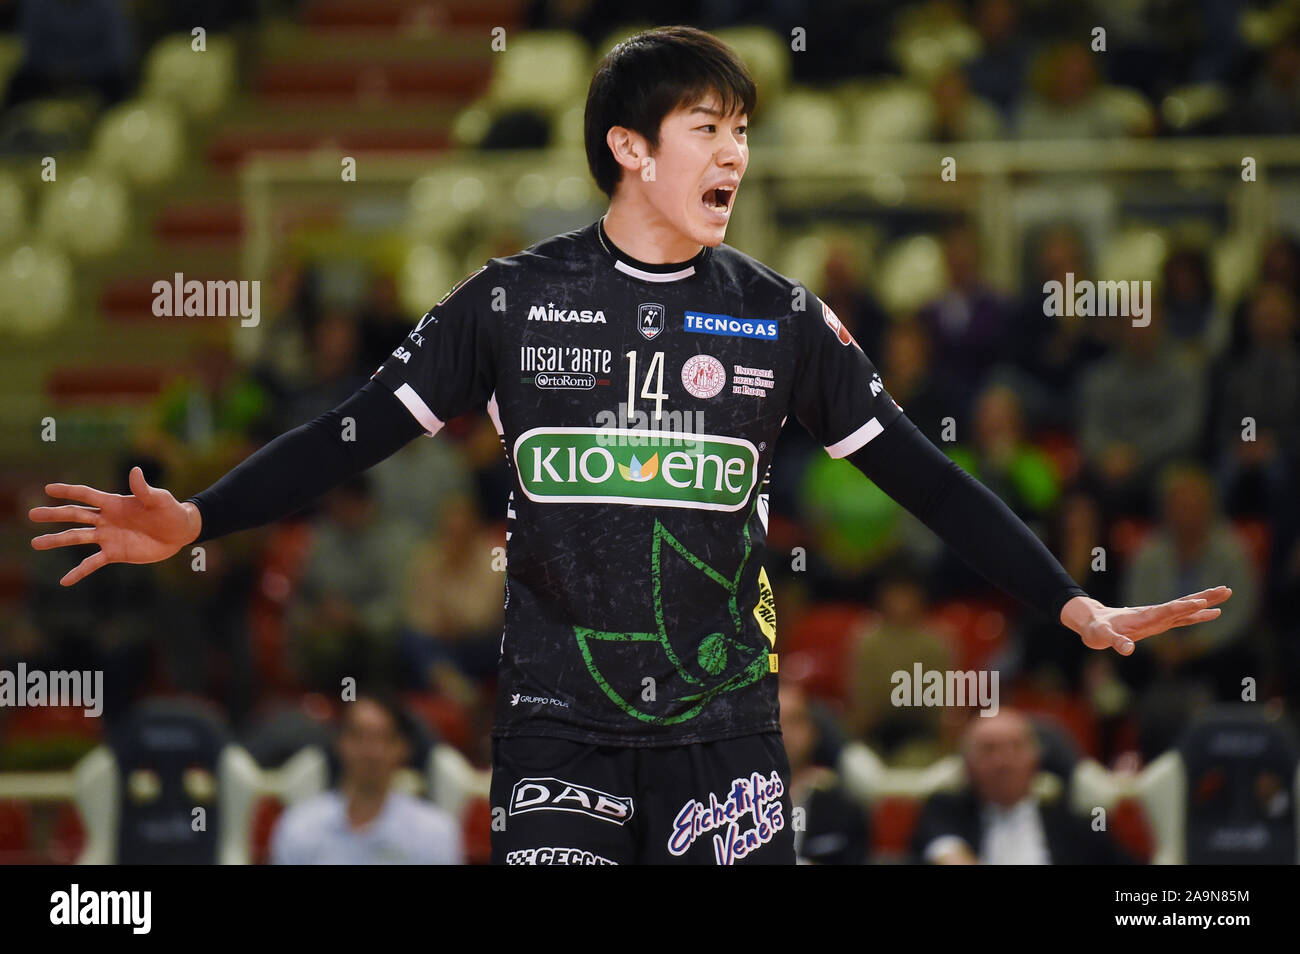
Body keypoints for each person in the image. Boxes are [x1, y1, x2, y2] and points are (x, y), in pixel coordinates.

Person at [31, 25, 1231, 866]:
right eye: (705, 125)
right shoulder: (506, 302)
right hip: (558, 721)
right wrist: (201, 518)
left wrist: (1070, 604)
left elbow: (920, 474)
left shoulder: (781, 316)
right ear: (627, 147)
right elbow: (347, 436)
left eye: (742, 128)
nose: (733, 153)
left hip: (728, 730)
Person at [911, 709, 1136, 865]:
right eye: (988, 750)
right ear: (967, 764)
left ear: (1036, 758)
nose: (1003, 762)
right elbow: (942, 845)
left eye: (1016, 747)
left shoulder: (1071, 820)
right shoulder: (945, 810)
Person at [270, 694, 463, 865]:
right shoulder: (299, 826)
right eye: (359, 736)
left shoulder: (435, 832)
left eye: (382, 738)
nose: (371, 751)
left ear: (402, 747)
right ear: (340, 742)